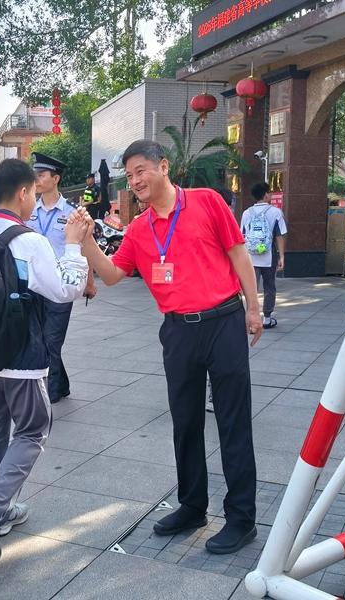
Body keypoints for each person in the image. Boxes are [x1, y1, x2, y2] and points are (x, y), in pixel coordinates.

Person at [73, 139, 262, 555]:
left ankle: (241, 518)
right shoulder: (140, 229)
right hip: (178, 331)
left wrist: (254, 307)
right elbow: (113, 275)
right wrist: (87, 243)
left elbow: (238, 253)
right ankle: (192, 506)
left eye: (141, 170)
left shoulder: (207, 201)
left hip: (224, 322)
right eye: (129, 175)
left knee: (232, 420)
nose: (135, 181)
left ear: (163, 167)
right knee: (185, 421)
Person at [0, 158, 90, 560]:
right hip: (21, 356)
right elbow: (66, 290)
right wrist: (73, 244)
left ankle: (0, 511)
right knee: (34, 428)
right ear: (24, 193)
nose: (34, 201)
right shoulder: (30, 241)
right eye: (33, 194)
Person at [27, 152, 97, 404]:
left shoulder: (73, 213)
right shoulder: (28, 211)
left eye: (42, 175)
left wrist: (89, 282)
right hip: (34, 284)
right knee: (41, 338)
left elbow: (86, 247)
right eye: (35, 175)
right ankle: (62, 383)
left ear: (55, 179)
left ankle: (52, 391)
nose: (36, 179)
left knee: (52, 340)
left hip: (61, 284)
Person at [240, 182, 287, 329]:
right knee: (269, 286)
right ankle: (267, 318)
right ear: (266, 195)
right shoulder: (275, 212)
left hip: (250, 256)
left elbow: (242, 235)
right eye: (269, 192)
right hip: (269, 256)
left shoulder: (246, 213)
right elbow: (279, 236)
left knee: (251, 288)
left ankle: (250, 315)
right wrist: (281, 256)